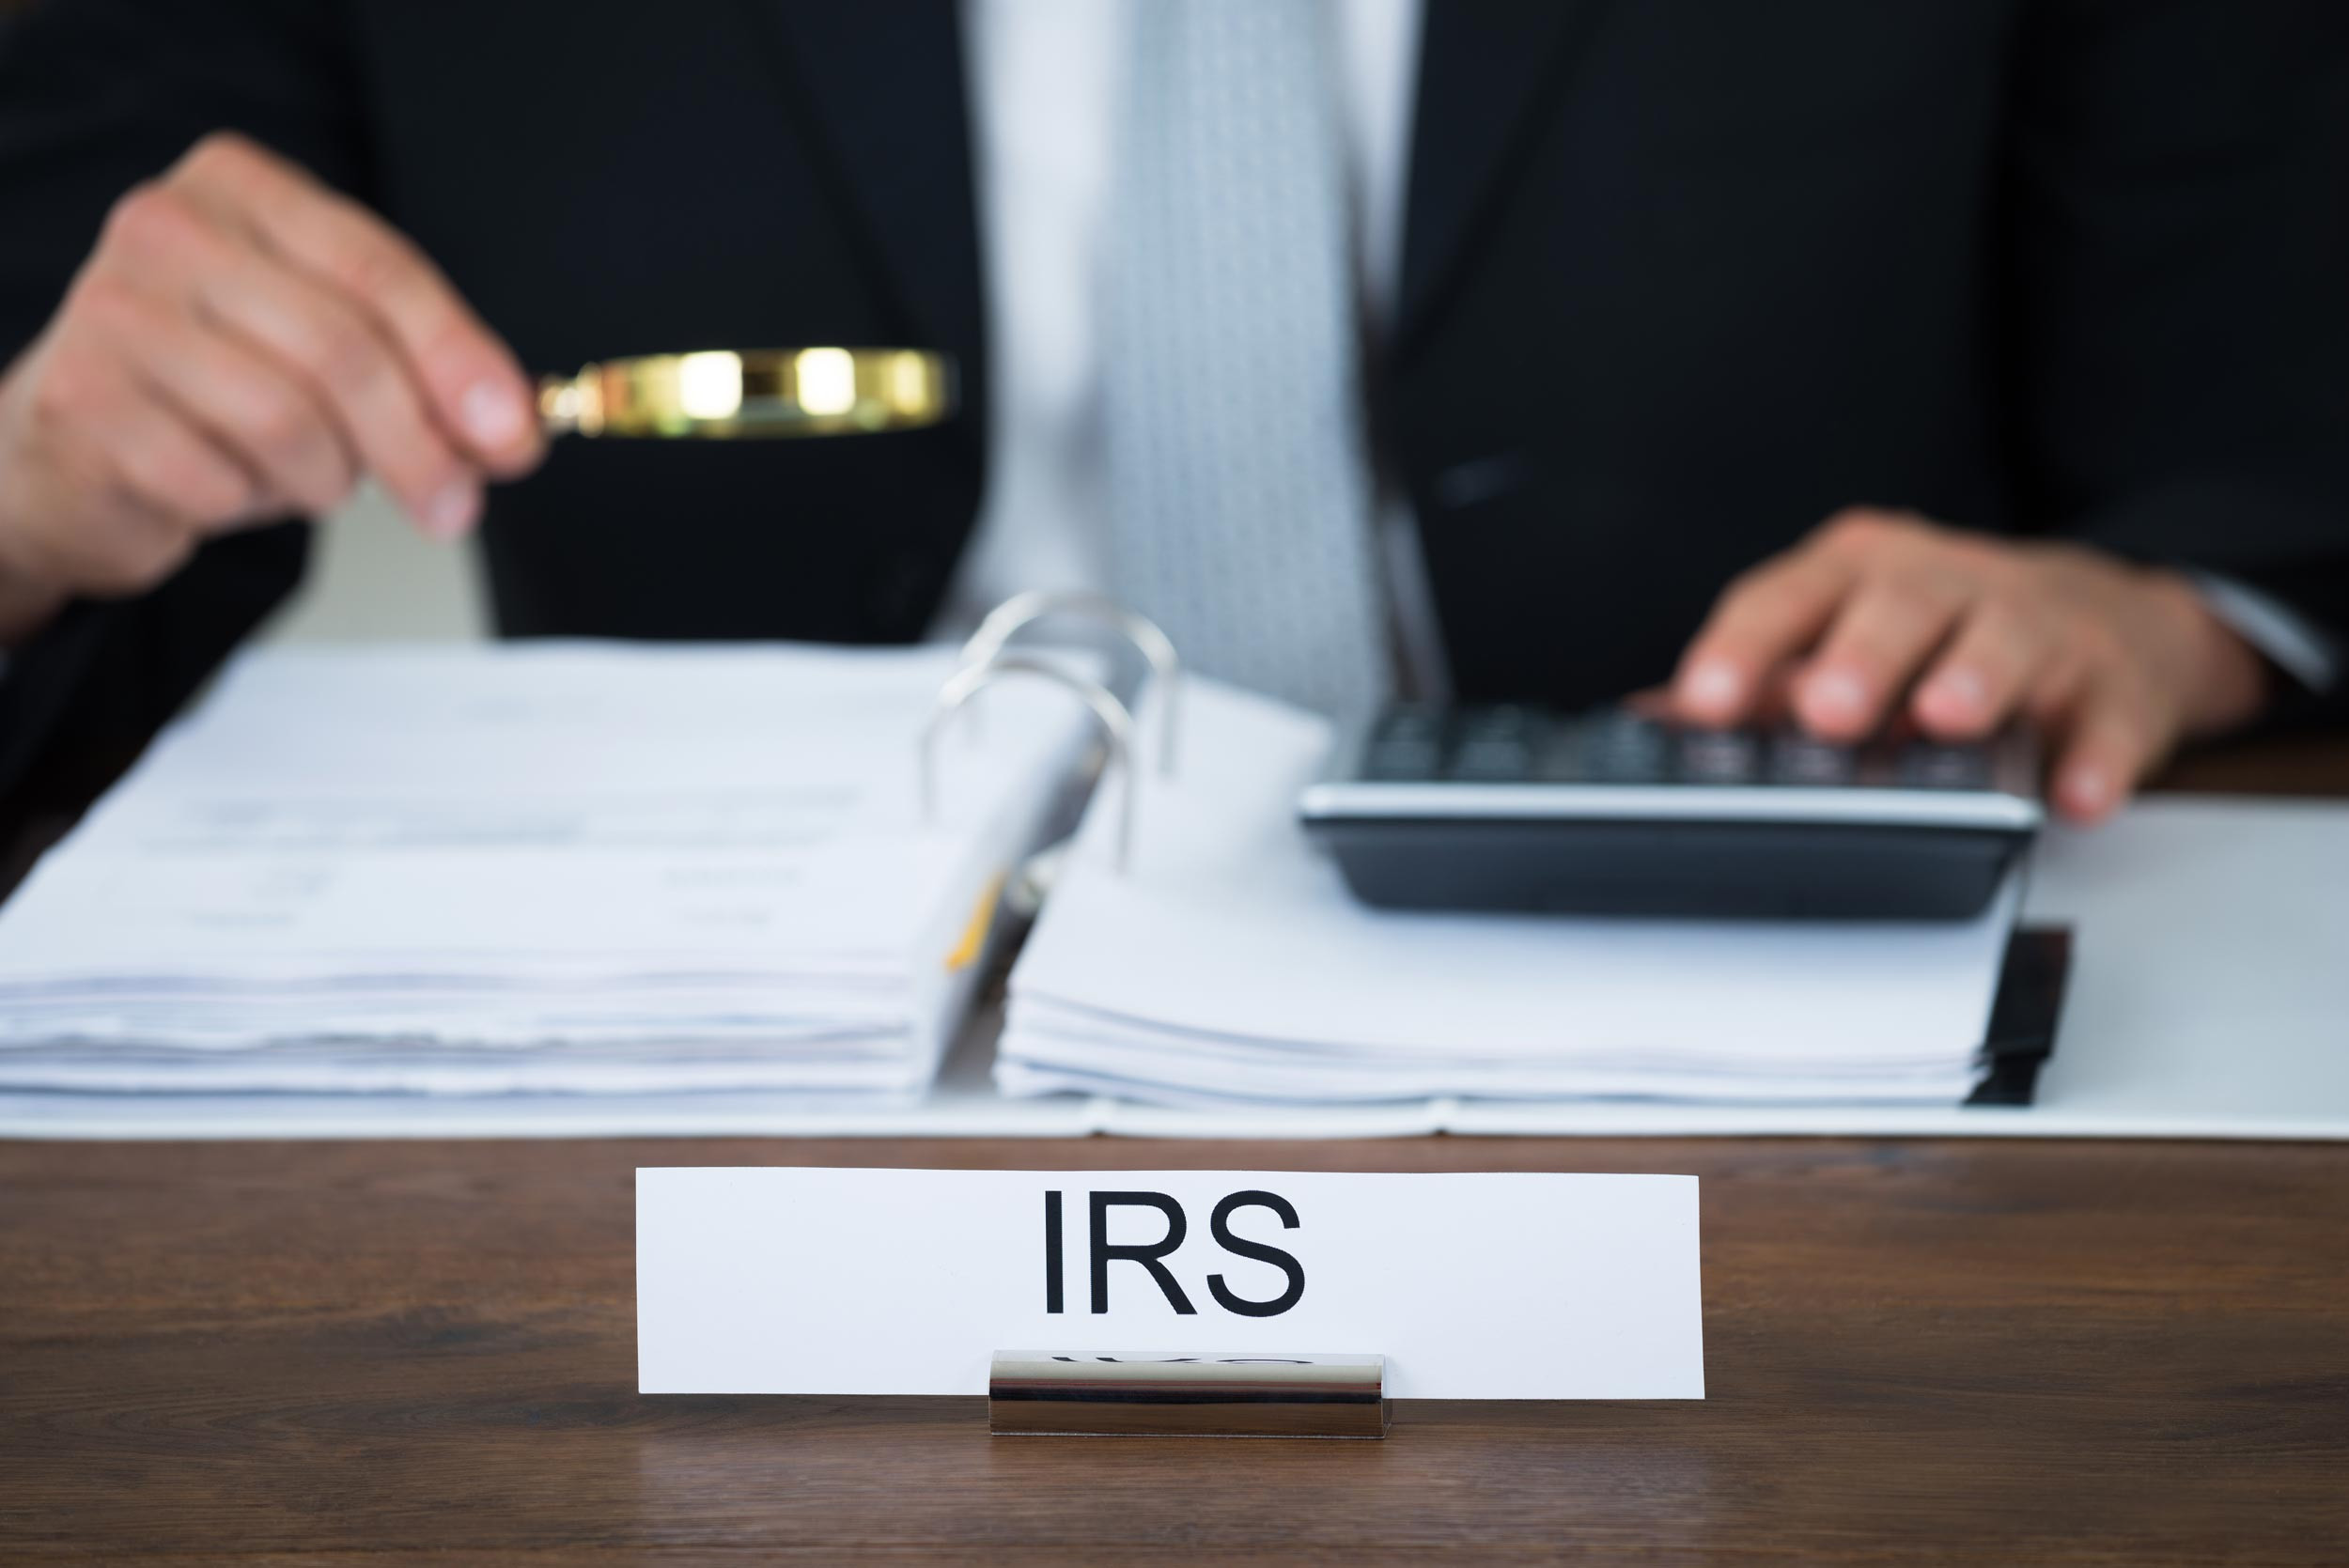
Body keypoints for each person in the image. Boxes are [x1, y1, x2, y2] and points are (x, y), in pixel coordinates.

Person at [0, 0, 2341, 839]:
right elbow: (85, 391)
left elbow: (2266, 414)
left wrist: (2164, 613)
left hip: (1732, 1017)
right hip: (714, 1072)